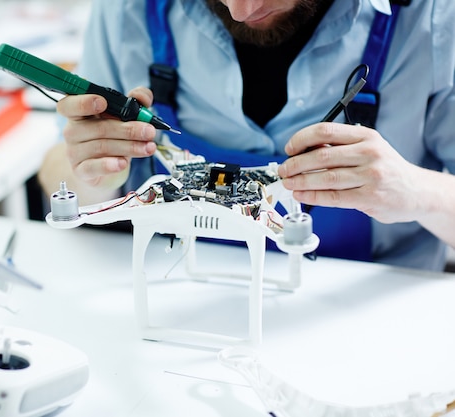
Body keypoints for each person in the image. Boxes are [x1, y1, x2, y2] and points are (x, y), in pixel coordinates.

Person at [38, 0, 455, 271]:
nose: (241, 10)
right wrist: (92, 174)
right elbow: (58, 166)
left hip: (373, 314)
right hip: (179, 303)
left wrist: (419, 192)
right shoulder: (127, 11)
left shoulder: (435, 18)